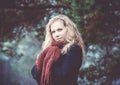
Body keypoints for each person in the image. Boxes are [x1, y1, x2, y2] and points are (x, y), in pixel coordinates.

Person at [31, 14, 85, 85]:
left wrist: (45, 64)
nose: (56, 34)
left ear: (68, 29)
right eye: (53, 32)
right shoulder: (49, 50)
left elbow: (62, 76)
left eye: (59, 30)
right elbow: (34, 72)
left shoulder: (73, 49)